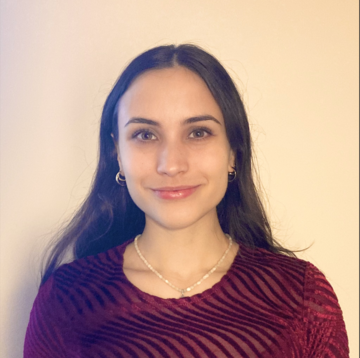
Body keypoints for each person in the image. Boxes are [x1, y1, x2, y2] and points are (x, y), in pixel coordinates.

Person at [24, 44, 349, 357]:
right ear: (117, 154)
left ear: (233, 152)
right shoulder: (65, 301)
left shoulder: (303, 297)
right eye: (145, 135)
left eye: (198, 133)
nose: (172, 164)